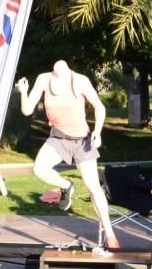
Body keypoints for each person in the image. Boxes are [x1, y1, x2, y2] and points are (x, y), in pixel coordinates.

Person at [15, 60, 120, 251]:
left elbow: (99, 106)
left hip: (82, 141)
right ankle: (66, 186)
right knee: (39, 168)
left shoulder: (79, 81)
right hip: (58, 137)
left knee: (94, 187)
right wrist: (23, 91)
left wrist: (97, 131)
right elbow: (27, 109)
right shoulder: (44, 79)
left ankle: (111, 235)